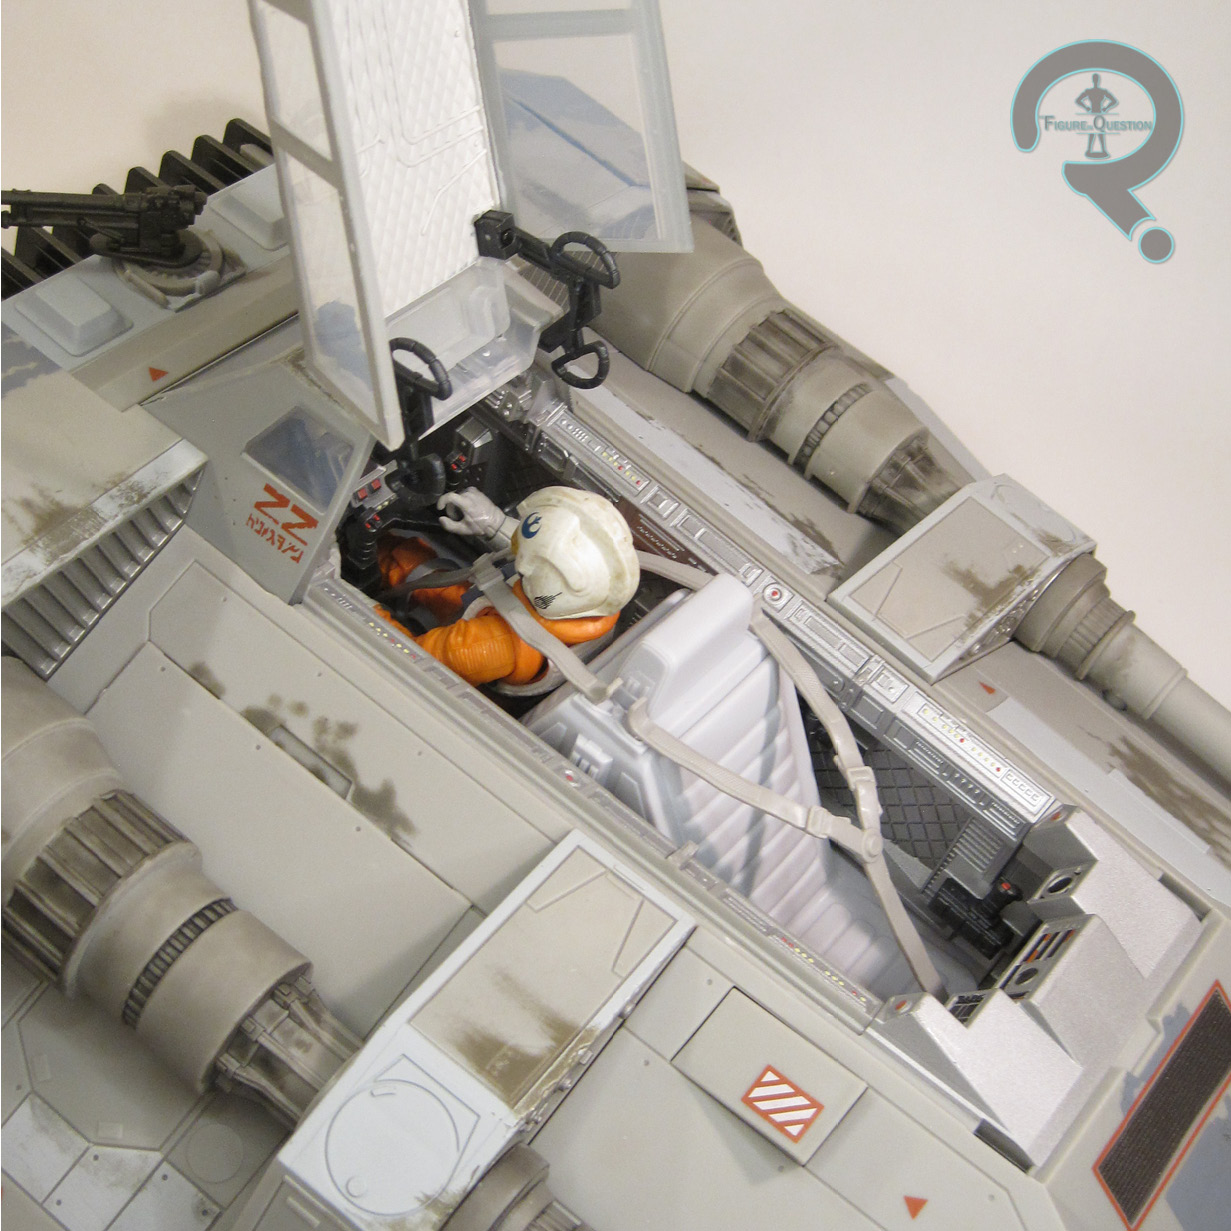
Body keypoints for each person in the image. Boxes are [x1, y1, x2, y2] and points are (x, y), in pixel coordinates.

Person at [377, 486, 640, 687]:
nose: (520, 560)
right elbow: (541, 551)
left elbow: (405, 660)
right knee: (411, 563)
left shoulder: (485, 646)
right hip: (498, 611)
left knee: (410, 576)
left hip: (468, 653)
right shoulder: (592, 598)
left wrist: (363, 607)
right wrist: (494, 522)